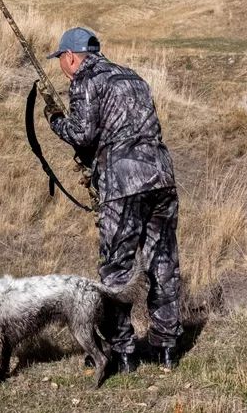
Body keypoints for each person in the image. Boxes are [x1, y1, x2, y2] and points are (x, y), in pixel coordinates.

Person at [44, 27, 182, 373]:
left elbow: (82, 133)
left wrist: (55, 120)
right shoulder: (133, 77)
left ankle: (122, 353)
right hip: (162, 178)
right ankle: (166, 348)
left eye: (61, 59)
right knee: (162, 260)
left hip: (123, 184)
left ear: (71, 57)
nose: (62, 65)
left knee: (116, 270)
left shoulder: (85, 79)